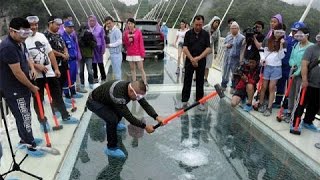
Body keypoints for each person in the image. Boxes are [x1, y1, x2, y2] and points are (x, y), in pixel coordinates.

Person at [0, 17, 44, 157]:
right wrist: (32, 87)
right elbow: (17, 73)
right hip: (14, 89)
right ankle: (30, 145)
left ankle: (24, 139)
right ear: (12, 31)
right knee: (24, 116)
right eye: (23, 34)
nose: (25, 37)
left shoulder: (20, 42)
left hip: (22, 87)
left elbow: (26, 57)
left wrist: (31, 68)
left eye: (27, 34)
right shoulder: (8, 47)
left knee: (23, 115)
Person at [86, 80, 164, 158]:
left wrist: (156, 116)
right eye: (138, 97)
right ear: (130, 91)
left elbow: (145, 104)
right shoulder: (119, 95)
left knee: (119, 110)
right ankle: (111, 148)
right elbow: (129, 116)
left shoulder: (134, 89)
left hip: (107, 100)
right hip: (94, 102)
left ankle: (115, 125)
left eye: (140, 97)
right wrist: (145, 126)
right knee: (112, 120)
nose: (138, 98)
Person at [25, 15, 78, 125]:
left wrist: (56, 69)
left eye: (36, 24)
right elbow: (23, 58)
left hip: (49, 72)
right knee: (38, 99)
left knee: (57, 95)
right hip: (36, 75)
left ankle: (65, 116)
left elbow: (50, 53)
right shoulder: (23, 40)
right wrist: (35, 65)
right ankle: (43, 122)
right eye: (31, 25)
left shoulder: (41, 36)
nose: (34, 27)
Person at [175, 15, 211, 111]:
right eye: (196, 24)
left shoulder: (206, 34)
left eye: (200, 25)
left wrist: (198, 58)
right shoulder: (188, 34)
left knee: (200, 81)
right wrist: (192, 59)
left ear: (202, 24)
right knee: (187, 80)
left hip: (201, 60)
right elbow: (185, 47)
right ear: (193, 23)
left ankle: (199, 101)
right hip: (189, 60)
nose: (198, 27)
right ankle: (184, 101)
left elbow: (208, 48)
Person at [273, 21, 305, 108]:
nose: (295, 32)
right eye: (294, 31)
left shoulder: (301, 43)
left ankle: (287, 105)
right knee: (280, 84)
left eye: (297, 31)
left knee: (291, 88)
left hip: (293, 68)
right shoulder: (287, 39)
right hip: (283, 66)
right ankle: (277, 102)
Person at [285, 27, 313, 122]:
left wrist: (297, 72)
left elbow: (306, 63)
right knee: (291, 92)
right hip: (293, 72)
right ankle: (289, 111)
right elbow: (291, 57)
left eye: (301, 35)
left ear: (307, 35)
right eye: (298, 35)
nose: (299, 37)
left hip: (302, 75)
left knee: (298, 94)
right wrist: (292, 64)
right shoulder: (296, 45)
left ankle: (295, 114)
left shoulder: (310, 47)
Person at [258, 24, 286, 116]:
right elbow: (261, 50)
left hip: (276, 67)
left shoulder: (283, 42)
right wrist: (262, 59)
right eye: (277, 31)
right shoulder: (267, 40)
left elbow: (281, 56)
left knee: (272, 87)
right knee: (263, 87)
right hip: (267, 66)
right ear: (273, 31)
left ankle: (269, 108)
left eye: (280, 32)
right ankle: (261, 104)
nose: (278, 34)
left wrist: (281, 45)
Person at [294, 32, 320, 132]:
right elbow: (304, 64)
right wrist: (304, 79)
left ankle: (308, 122)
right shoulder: (311, 49)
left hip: (318, 85)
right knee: (301, 103)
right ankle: (294, 122)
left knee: (315, 104)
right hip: (308, 82)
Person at [44, 16, 71, 105]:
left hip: (63, 62)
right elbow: (49, 50)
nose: (58, 27)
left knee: (62, 82)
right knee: (55, 85)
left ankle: (60, 101)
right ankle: (56, 104)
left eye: (59, 25)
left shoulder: (59, 34)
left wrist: (66, 53)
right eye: (56, 25)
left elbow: (64, 45)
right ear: (50, 24)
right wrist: (61, 55)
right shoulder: (45, 35)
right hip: (54, 64)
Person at [221, 21, 245, 94]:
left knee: (235, 73)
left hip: (236, 59)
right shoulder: (228, 37)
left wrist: (241, 59)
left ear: (238, 29)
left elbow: (243, 49)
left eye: (235, 28)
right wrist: (226, 46)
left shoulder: (242, 38)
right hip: (227, 57)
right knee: (225, 72)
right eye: (232, 28)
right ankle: (223, 85)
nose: (233, 29)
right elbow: (223, 45)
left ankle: (233, 87)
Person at [61, 20, 83, 99]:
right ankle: (67, 95)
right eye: (69, 27)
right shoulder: (63, 37)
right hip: (68, 61)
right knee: (67, 78)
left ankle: (73, 92)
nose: (71, 29)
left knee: (73, 77)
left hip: (74, 60)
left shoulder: (71, 36)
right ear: (65, 27)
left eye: (72, 27)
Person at [123, 18, 147, 85]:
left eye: (131, 23)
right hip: (130, 53)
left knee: (141, 68)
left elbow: (141, 43)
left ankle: (145, 83)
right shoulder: (126, 32)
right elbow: (125, 43)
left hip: (138, 53)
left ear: (134, 24)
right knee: (132, 69)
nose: (129, 25)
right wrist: (128, 40)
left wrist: (142, 53)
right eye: (128, 24)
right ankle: (134, 83)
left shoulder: (138, 32)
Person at [88, 15, 106, 83]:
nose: (92, 22)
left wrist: (103, 48)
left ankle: (103, 77)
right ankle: (95, 77)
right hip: (91, 48)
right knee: (93, 63)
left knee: (100, 62)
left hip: (99, 47)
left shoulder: (100, 28)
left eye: (93, 20)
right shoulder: (87, 28)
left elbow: (103, 39)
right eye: (90, 21)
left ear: (96, 21)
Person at [204, 16, 221, 86]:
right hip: (202, 48)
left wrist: (216, 52)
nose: (216, 24)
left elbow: (217, 42)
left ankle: (205, 79)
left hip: (210, 50)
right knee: (200, 63)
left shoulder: (217, 32)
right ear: (213, 22)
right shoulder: (206, 28)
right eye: (215, 22)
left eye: (218, 23)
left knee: (207, 65)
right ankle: (196, 77)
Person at [78, 23, 95, 90]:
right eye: (83, 29)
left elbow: (95, 44)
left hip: (88, 55)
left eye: (85, 29)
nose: (84, 31)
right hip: (81, 56)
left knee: (90, 70)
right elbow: (76, 45)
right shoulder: (78, 35)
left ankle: (91, 83)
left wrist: (89, 41)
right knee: (81, 71)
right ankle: (82, 83)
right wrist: (81, 40)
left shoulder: (90, 35)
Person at [105, 16, 123, 80]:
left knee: (117, 73)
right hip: (113, 54)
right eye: (107, 24)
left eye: (109, 23)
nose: (108, 25)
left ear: (113, 23)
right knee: (115, 72)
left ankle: (119, 87)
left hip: (117, 55)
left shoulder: (117, 31)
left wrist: (109, 45)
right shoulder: (111, 31)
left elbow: (119, 41)